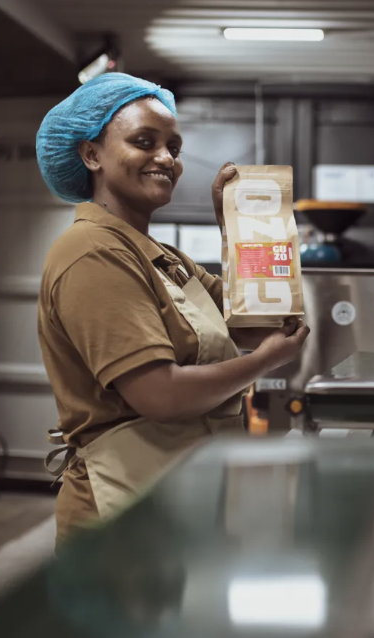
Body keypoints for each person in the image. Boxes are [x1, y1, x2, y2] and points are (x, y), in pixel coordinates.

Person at [34, 73, 309, 548]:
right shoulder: (91, 253)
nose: (166, 159)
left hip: (181, 495)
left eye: (174, 148)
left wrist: (238, 227)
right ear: (91, 154)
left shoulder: (163, 258)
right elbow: (159, 395)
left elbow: (264, 319)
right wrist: (264, 363)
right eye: (144, 142)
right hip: (124, 515)